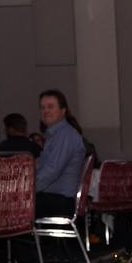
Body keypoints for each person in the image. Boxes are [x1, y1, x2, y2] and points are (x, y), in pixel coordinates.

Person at [35, 89, 86, 218]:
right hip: (55, 199)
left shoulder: (64, 136)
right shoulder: (56, 135)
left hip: (58, 202)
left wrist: (23, 191)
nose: (45, 111)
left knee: (3, 207)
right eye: (42, 107)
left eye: (50, 107)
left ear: (63, 111)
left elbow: (51, 171)